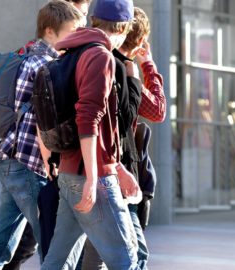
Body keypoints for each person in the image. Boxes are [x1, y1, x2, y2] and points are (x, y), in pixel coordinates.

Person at [0, 2, 82, 269]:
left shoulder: (30, 57)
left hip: (12, 161)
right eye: (72, 32)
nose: (76, 38)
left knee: (1, 245)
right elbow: (38, 121)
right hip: (29, 165)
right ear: (49, 31)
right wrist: (48, 164)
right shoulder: (44, 65)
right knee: (55, 244)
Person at [39, 0, 141, 269]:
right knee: (126, 258)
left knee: (58, 261)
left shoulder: (72, 53)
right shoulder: (100, 56)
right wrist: (96, 177)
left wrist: (117, 167)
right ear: (124, 27)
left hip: (71, 172)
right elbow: (88, 118)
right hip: (91, 178)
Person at [81, 7, 166, 270]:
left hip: (91, 170)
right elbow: (157, 110)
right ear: (140, 41)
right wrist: (147, 65)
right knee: (134, 255)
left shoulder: (92, 59)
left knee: (88, 255)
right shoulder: (122, 70)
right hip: (115, 172)